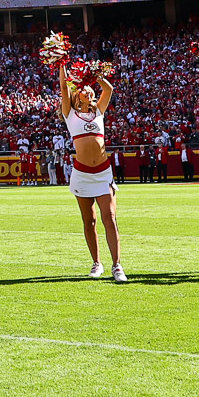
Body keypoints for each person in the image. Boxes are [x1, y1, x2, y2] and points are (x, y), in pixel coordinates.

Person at [59, 70, 125, 282]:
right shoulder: (69, 114)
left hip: (103, 172)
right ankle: (97, 263)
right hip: (82, 174)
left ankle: (117, 266)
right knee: (90, 221)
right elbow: (63, 87)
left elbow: (109, 89)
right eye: (83, 89)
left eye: (89, 89)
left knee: (110, 218)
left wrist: (95, 75)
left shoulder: (99, 112)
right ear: (77, 96)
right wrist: (62, 65)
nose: (88, 90)